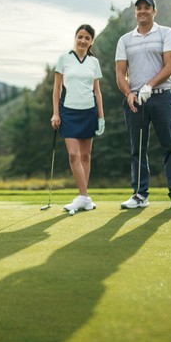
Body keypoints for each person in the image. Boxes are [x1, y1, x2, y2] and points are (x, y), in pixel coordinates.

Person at [115, 0, 171, 209]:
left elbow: (170, 66)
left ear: (154, 11)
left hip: (162, 97)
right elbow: (120, 73)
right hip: (135, 101)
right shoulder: (125, 40)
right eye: (138, 8)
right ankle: (139, 195)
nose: (142, 11)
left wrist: (148, 86)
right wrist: (129, 93)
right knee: (137, 149)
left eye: (147, 7)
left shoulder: (167, 33)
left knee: (170, 146)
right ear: (135, 13)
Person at [51, 24, 105, 212]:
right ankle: (84, 197)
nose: (82, 41)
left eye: (87, 38)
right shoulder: (64, 59)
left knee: (85, 155)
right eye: (80, 37)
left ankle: (84, 197)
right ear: (75, 37)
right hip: (68, 112)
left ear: (91, 42)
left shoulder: (94, 62)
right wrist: (56, 113)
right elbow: (57, 89)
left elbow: (97, 92)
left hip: (88, 111)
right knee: (73, 155)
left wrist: (101, 117)